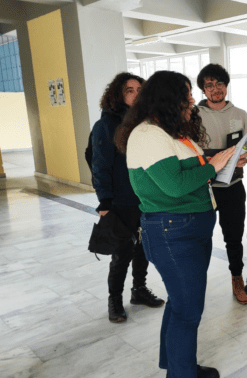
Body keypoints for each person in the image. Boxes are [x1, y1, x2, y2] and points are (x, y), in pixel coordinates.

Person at [115, 70, 235, 378]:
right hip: (172, 232)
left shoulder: (171, 132)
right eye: (187, 94)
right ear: (167, 98)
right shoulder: (148, 134)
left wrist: (225, 163)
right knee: (187, 311)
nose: (193, 100)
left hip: (189, 229)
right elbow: (175, 185)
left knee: (180, 304)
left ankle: (179, 366)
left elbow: (191, 172)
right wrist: (213, 167)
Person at [91, 72, 164, 323]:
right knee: (122, 253)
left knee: (143, 249)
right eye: (129, 90)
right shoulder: (106, 125)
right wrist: (104, 202)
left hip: (146, 199)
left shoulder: (148, 123)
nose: (135, 94)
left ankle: (139, 290)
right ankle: (114, 300)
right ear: (118, 95)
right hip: (121, 201)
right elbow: (100, 166)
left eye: (139, 90)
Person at [196, 64, 247, 305]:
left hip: (233, 187)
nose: (215, 88)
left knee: (234, 237)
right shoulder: (193, 115)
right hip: (203, 188)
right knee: (200, 238)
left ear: (226, 86)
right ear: (203, 89)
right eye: (209, 85)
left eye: (219, 83)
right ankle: (195, 284)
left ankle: (237, 279)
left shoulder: (240, 114)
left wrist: (246, 157)